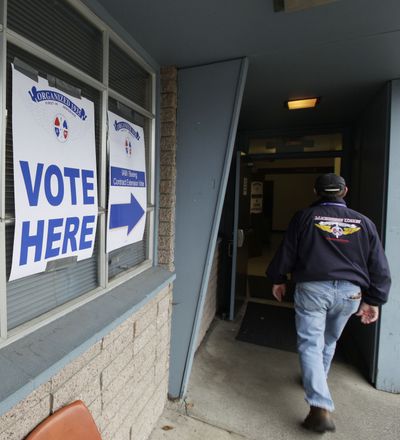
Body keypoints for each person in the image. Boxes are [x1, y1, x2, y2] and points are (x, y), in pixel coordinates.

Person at [266, 173, 391, 433]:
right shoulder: (364, 223)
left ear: (316, 192)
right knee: (329, 341)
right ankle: (316, 383)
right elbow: (378, 265)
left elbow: (287, 251)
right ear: (345, 191)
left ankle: (319, 405)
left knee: (311, 343)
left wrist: (278, 278)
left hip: (313, 288)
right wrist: (374, 300)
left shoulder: (304, 217)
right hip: (350, 294)